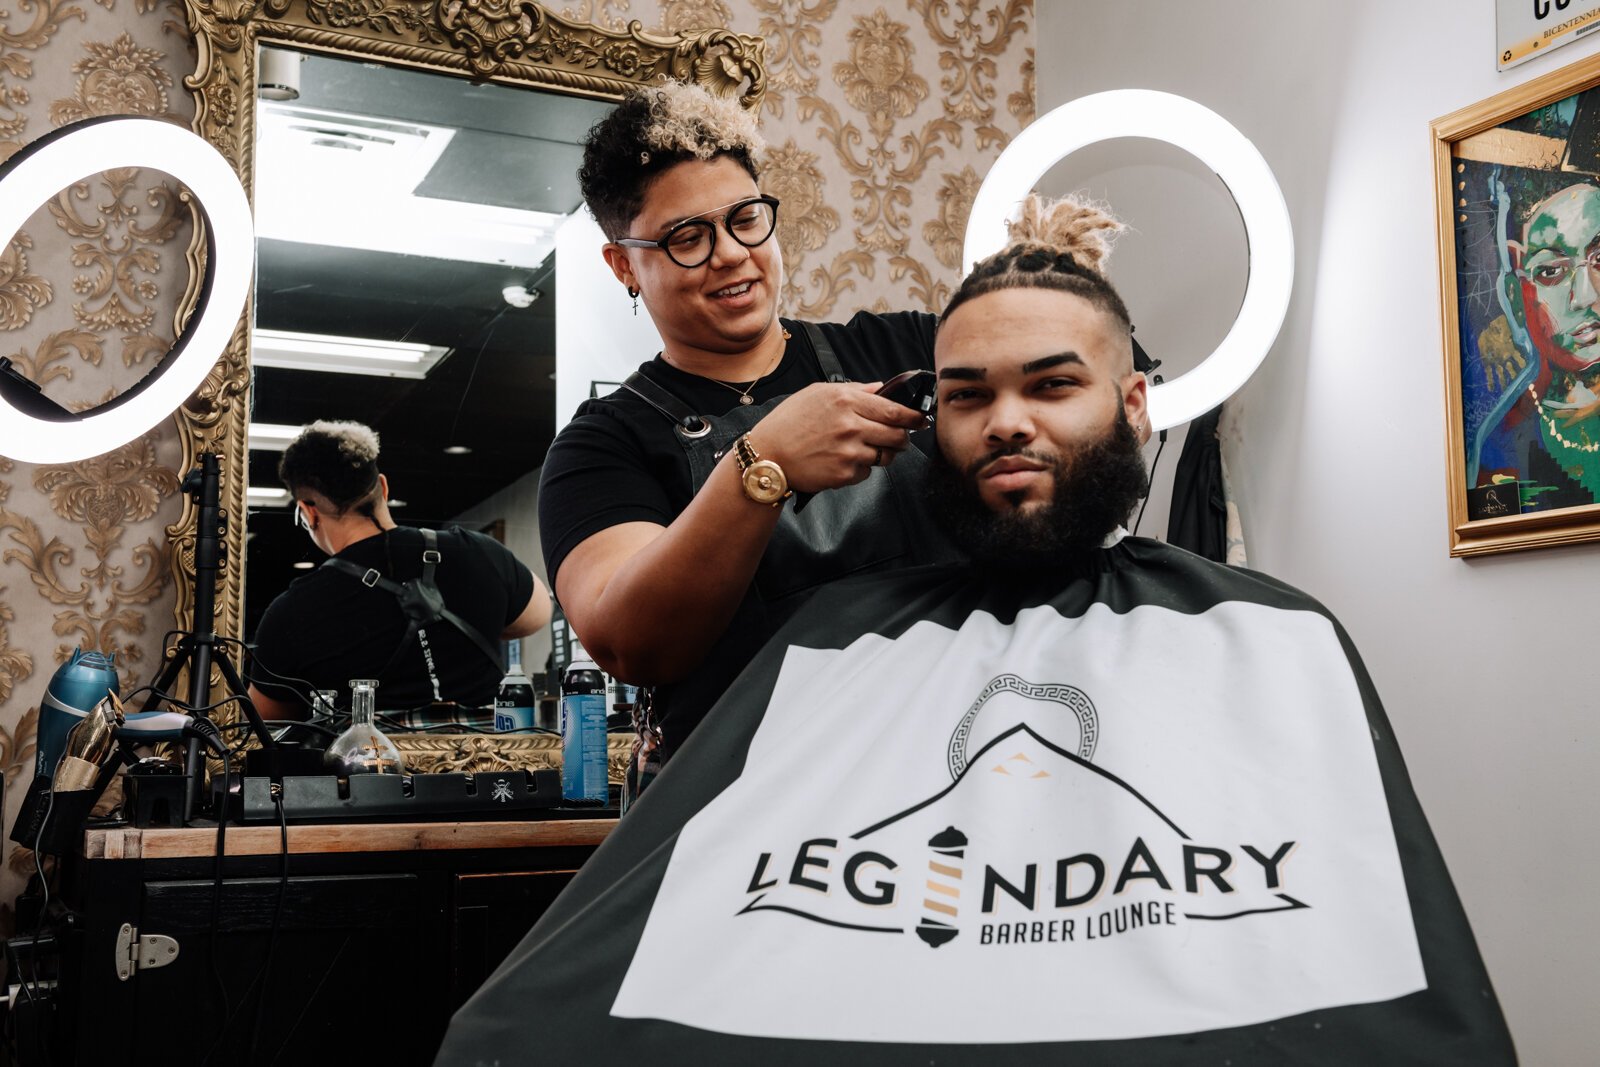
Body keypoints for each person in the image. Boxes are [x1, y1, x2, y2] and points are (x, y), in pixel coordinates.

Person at [437, 196, 1514, 1064]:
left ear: (1134, 405)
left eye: (1052, 384)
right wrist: (756, 468)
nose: (1006, 418)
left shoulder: (1268, 635)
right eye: (969, 395)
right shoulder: (819, 634)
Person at [539, 81, 952, 793]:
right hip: (747, 804)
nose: (731, 254)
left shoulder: (906, 346)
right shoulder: (604, 445)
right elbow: (628, 638)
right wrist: (766, 462)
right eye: (688, 238)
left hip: (946, 760)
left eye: (745, 219)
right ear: (623, 265)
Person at [248, 420, 551, 726]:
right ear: (382, 486)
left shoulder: (292, 612)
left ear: (309, 511)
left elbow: (267, 722)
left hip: (373, 769)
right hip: (496, 763)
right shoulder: (478, 551)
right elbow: (537, 614)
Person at [1480, 180, 1600, 506]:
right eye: (1550, 271)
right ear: (1516, 296)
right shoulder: (1502, 450)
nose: (1586, 296)